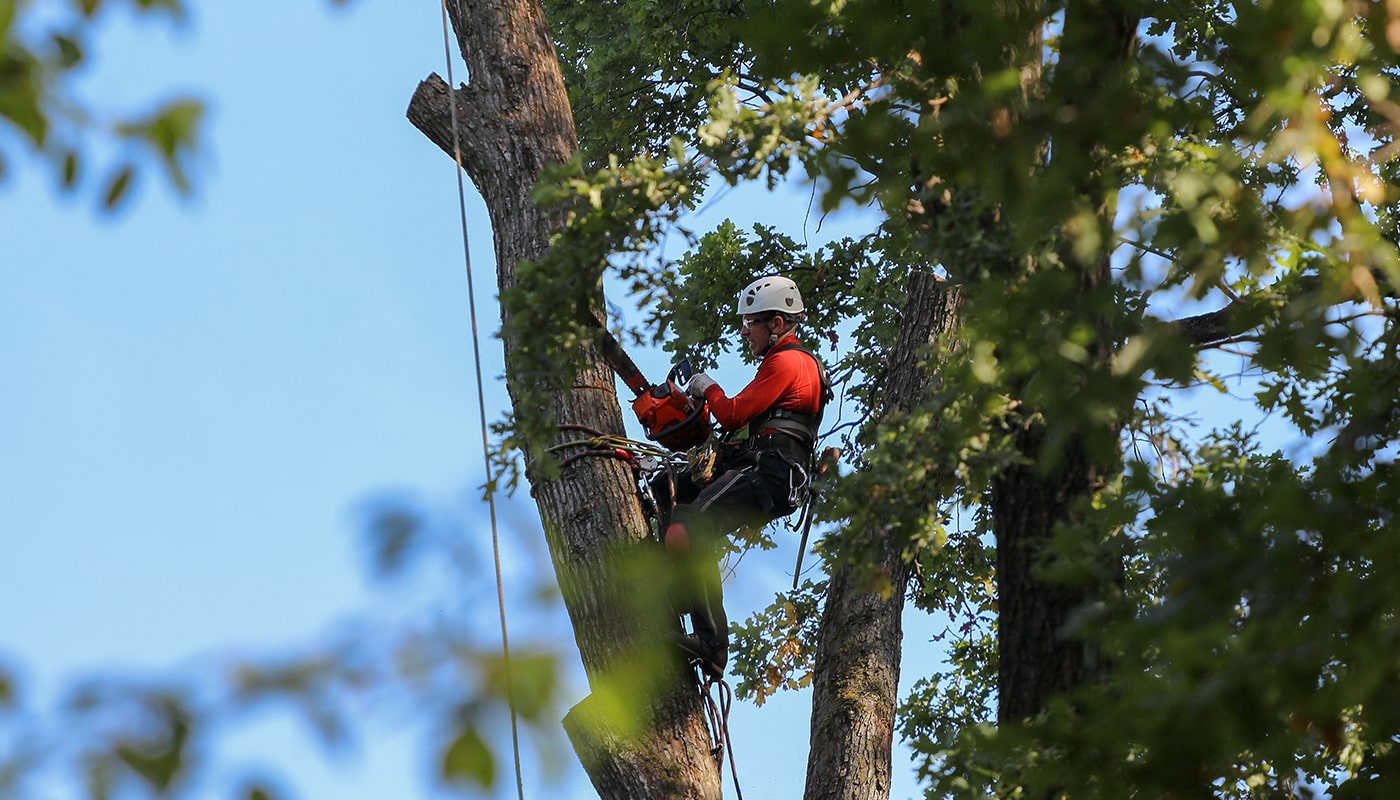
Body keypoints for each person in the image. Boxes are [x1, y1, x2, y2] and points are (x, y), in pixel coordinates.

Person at [664, 275, 832, 678]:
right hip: (762, 464)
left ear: (775, 323)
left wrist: (708, 387)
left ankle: (711, 643)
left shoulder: (789, 361)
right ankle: (674, 593)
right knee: (672, 490)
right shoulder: (786, 363)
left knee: (692, 522)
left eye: (750, 322)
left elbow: (734, 414)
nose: (745, 331)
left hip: (773, 470)